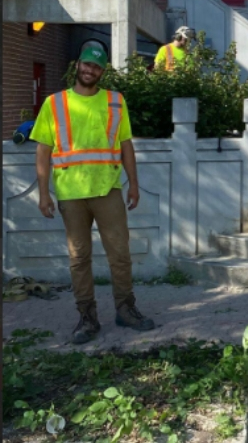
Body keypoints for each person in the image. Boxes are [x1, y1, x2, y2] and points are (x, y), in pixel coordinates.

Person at [30, 47, 155, 345]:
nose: (90, 70)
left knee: (120, 254)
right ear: (77, 65)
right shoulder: (54, 103)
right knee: (79, 258)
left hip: (107, 189)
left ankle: (126, 309)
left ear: (102, 71)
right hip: (71, 194)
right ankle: (87, 317)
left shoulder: (115, 101)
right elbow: (43, 151)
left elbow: (126, 145)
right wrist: (44, 194)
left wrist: (133, 184)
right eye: (87, 64)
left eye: (97, 67)